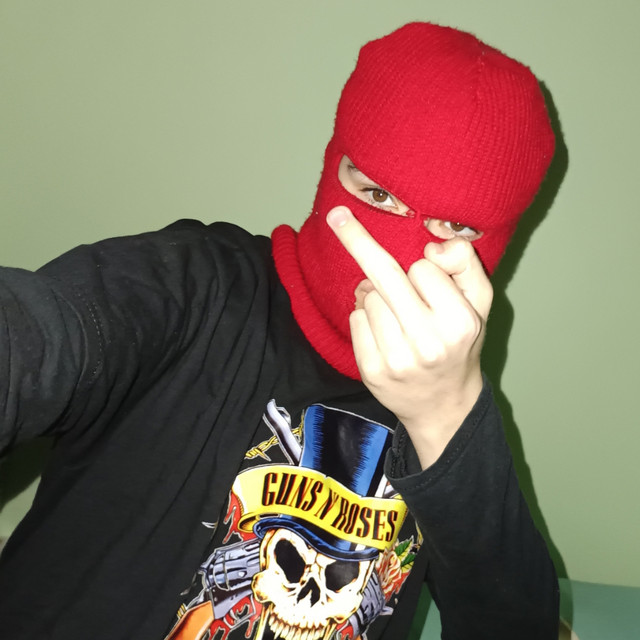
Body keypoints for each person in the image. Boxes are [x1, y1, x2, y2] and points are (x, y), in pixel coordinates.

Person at [0, 22, 558, 640]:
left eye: (456, 226)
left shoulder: (448, 398)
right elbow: (36, 339)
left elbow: (515, 625)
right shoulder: (194, 286)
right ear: (332, 166)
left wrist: (446, 416)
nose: (399, 253)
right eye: (377, 193)